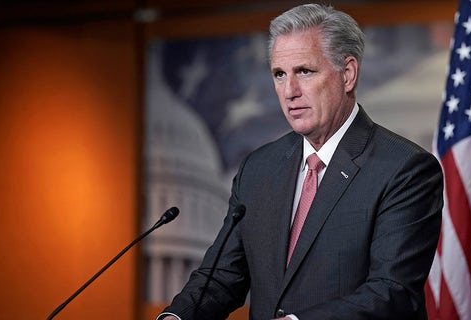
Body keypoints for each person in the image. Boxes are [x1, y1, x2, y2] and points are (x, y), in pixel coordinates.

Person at [158, 3, 443, 320]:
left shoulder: (405, 168)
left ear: (347, 74)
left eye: (304, 71)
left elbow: (391, 293)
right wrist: (176, 317)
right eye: (279, 74)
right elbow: (222, 277)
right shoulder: (259, 168)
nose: (289, 91)